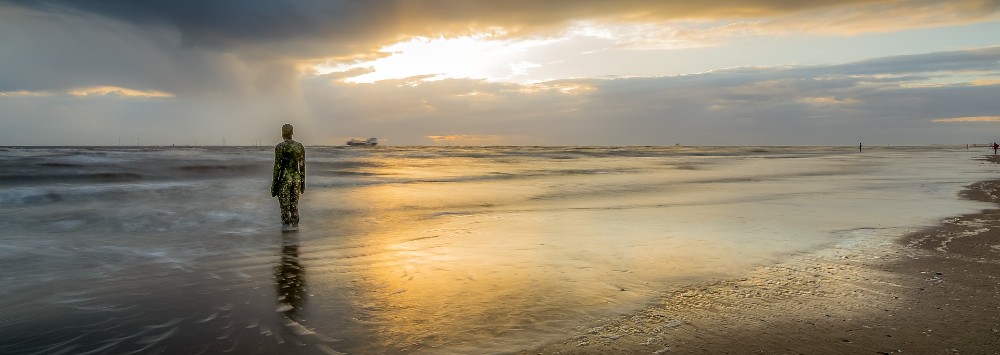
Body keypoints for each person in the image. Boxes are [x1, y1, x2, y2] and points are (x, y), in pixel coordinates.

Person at [272, 124, 306, 231]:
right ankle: (295, 233)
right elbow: (302, 166)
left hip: (285, 179)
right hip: (296, 179)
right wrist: (303, 184)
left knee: (285, 209)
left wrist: (274, 185)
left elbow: (277, 168)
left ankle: (286, 235)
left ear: (282, 133)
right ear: (292, 132)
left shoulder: (280, 147)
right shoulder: (300, 147)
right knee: (294, 207)